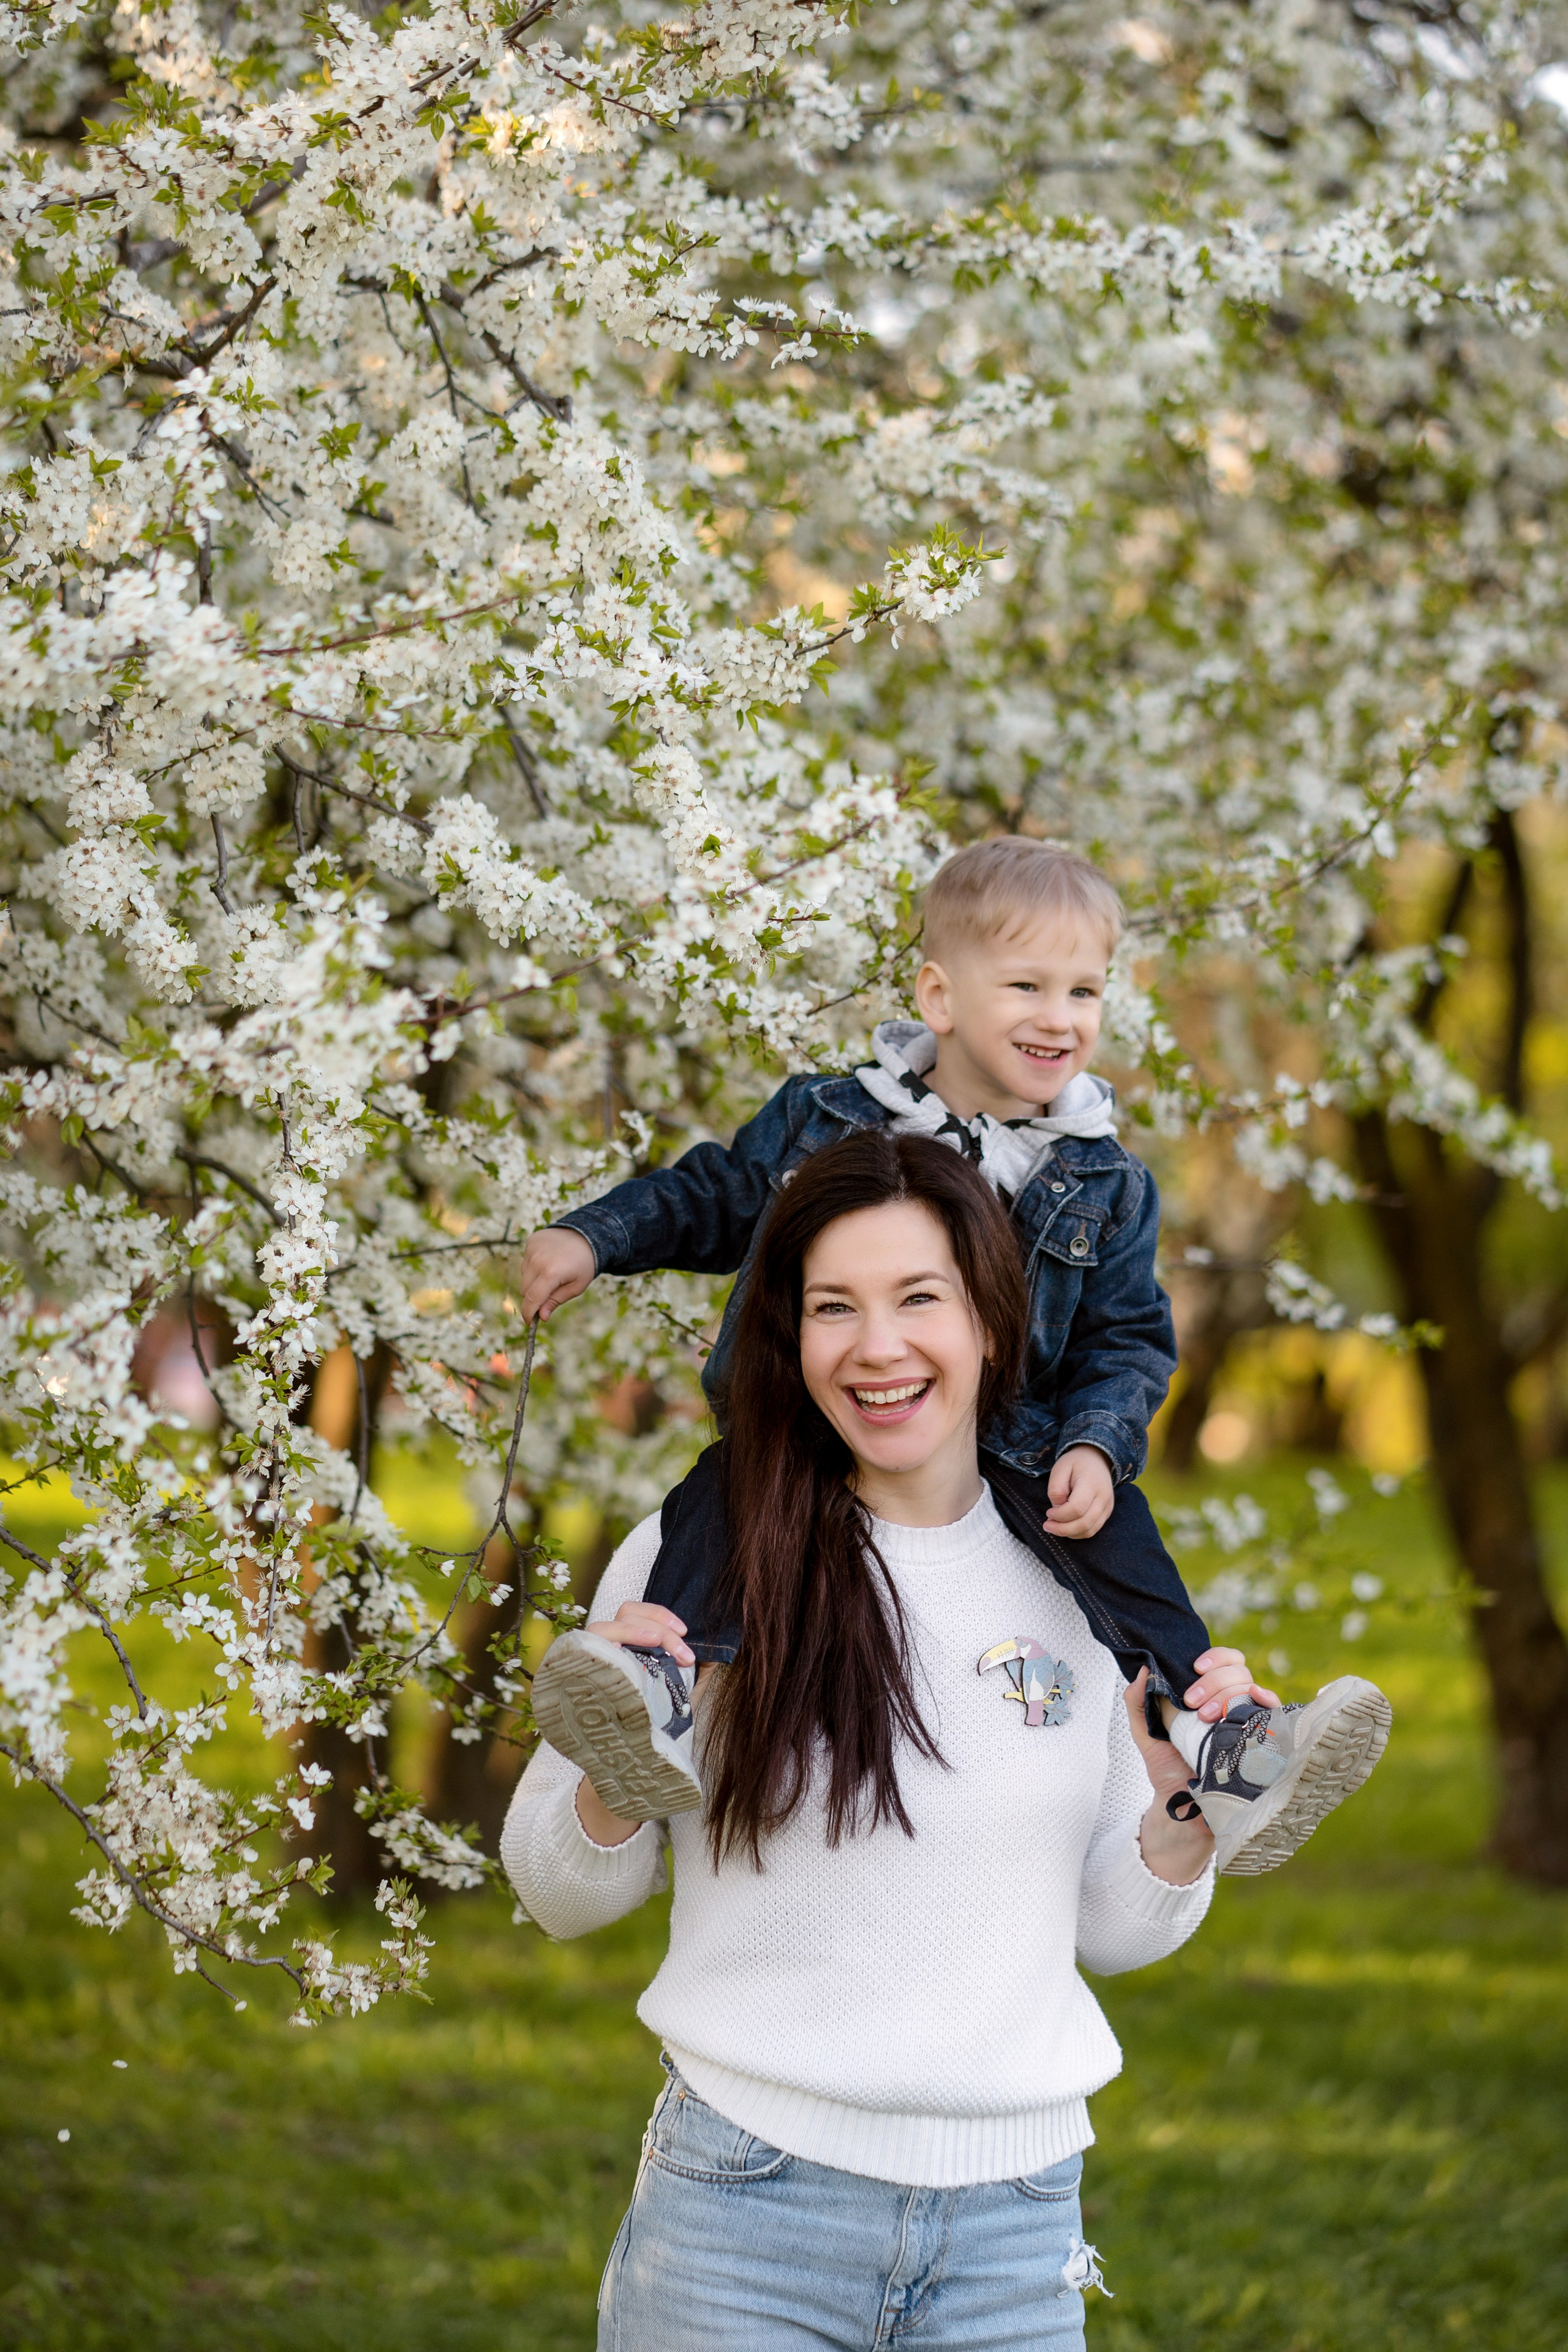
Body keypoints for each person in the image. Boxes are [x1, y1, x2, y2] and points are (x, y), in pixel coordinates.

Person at [520, 840, 1391, 1874]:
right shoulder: (831, 1121)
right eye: (1026, 984)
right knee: (724, 1505)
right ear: (939, 995)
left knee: (1126, 1552)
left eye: (1085, 990)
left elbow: (1125, 1338)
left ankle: (1222, 1745)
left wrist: (1097, 1443)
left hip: (1020, 1446)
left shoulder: (1105, 1183)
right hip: (809, 1423)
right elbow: (712, 1195)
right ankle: (662, 1696)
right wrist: (597, 1236)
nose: (1060, 1016)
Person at [507, 1131, 1237, 2348]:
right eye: (832, 1307)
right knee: (635, 1731)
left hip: (1014, 2233)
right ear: (791, 1344)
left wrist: (1179, 1818)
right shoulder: (701, 1564)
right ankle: (646, 1734)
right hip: (742, 2218)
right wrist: (612, 1788)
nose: (877, 1346)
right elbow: (555, 1892)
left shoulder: (1074, 1573)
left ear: (991, 1323)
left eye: (918, 1299)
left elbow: (1111, 1932)